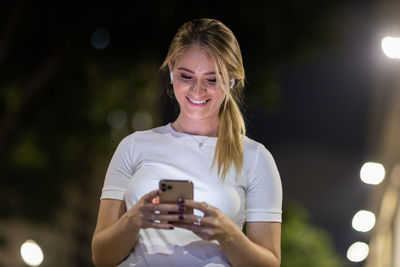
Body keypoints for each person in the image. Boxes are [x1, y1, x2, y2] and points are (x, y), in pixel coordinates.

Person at [92, 18, 282, 267]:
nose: (197, 90)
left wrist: (228, 234)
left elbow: (270, 263)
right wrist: (134, 219)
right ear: (171, 69)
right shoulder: (133, 146)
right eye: (186, 76)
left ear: (232, 81)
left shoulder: (256, 158)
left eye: (212, 79)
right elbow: (101, 257)